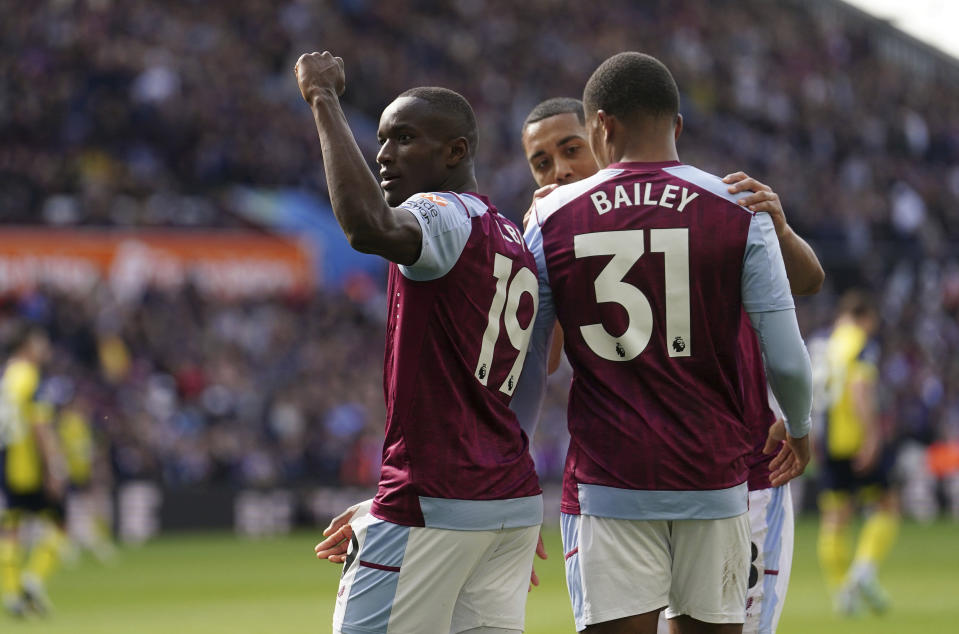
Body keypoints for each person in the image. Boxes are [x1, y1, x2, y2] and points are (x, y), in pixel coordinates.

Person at [514, 52, 813, 634]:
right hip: (716, 479)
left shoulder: (550, 218)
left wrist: (515, 469)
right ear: (677, 124)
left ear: (599, 126)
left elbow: (529, 366)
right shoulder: (737, 208)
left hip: (607, 485)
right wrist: (799, 428)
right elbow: (787, 353)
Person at [295, 51, 543, 634]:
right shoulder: (511, 238)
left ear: (455, 152)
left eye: (403, 139)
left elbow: (367, 226)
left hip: (435, 494)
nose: (383, 155)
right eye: (382, 139)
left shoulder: (441, 215)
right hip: (505, 499)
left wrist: (322, 98)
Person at [817, 290, 897, 615]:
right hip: (853, 438)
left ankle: (841, 592)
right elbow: (860, 390)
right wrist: (872, 438)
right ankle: (861, 574)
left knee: (835, 519)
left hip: (827, 440)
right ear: (865, 317)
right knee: (887, 505)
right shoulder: (860, 344)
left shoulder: (824, 344)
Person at [0, 328, 68, 617]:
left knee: (10, 529)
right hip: (30, 465)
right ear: (27, 345)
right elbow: (40, 425)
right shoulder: (31, 377)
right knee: (59, 524)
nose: (45, 346)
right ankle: (33, 580)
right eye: (41, 341)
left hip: (7, 461)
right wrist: (53, 467)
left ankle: (11, 594)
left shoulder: (8, 377)